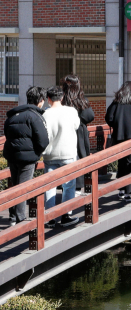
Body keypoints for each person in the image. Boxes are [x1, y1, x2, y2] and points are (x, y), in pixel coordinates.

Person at [3, 87, 49, 226]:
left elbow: (7, 134)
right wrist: (36, 153)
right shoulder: (34, 116)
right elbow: (43, 140)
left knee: (15, 185)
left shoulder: (13, 115)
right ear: (40, 101)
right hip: (27, 158)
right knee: (24, 188)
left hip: (12, 155)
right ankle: (20, 219)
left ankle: (12, 216)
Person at [42, 87, 80, 227]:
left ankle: (50, 218)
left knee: (50, 186)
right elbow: (76, 125)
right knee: (69, 185)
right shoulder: (71, 111)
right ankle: (66, 215)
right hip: (68, 153)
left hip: (50, 154)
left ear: (49, 99)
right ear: (62, 97)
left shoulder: (45, 114)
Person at [105, 82, 131, 203]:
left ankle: (123, 189)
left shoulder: (117, 102)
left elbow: (109, 117)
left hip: (120, 136)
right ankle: (129, 191)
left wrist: (117, 125)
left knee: (123, 162)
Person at [61, 74, 94, 193]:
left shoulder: (61, 100)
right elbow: (90, 116)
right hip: (79, 133)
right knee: (80, 155)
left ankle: (65, 186)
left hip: (63, 132)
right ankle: (78, 187)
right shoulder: (81, 100)